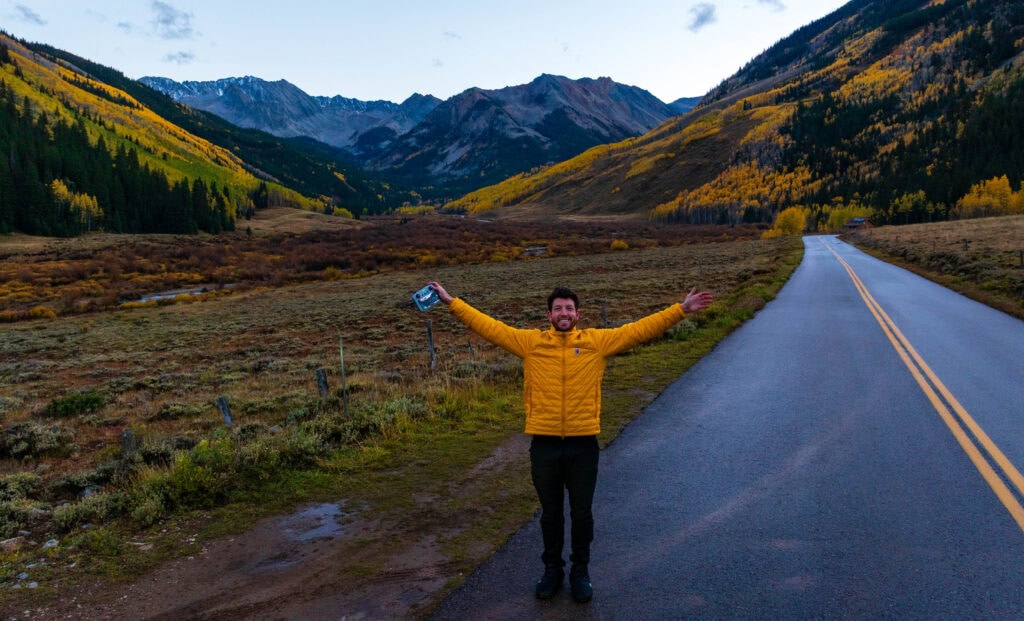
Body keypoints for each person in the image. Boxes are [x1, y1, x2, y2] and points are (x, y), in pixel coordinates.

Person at [427, 281, 713, 604]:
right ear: (549, 315)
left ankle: (580, 572)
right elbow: (488, 326)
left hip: (583, 445)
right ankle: (552, 571)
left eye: (569, 308)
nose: (564, 313)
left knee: (581, 514)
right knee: (550, 514)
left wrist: (680, 310)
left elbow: (640, 329)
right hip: (545, 445)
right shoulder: (530, 343)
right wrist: (452, 302)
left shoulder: (596, 343)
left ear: (578, 314)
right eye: (558, 308)